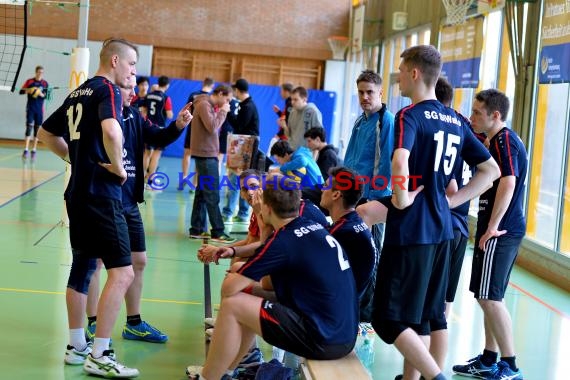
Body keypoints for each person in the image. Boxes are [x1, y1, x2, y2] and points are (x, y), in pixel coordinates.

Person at [371, 45, 499, 380]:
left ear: (414, 74)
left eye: (400, 70)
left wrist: (400, 200)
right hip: (444, 229)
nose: (397, 77)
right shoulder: (456, 120)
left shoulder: (408, 116)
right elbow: (490, 170)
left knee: (388, 319)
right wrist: (449, 204)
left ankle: (434, 377)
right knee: (425, 316)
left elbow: (400, 160)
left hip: (412, 230)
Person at [186, 173, 358, 380]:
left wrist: (239, 267)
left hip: (324, 339)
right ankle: (227, 371)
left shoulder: (283, 241)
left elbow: (228, 290)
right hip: (342, 332)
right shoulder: (308, 226)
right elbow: (268, 284)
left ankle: (209, 377)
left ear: (266, 208)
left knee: (233, 303)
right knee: (251, 295)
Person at [37, 37, 140, 378]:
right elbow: (112, 131)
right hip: (101, 195)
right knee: (122, 272)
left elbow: (46, 133)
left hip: (77, 194)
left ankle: (76, 345)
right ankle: (101, 352)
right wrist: (120, 167)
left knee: (82, 267)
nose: (134, 72)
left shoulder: (77, 92)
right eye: (132, 64)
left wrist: (76, 158)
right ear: (114, 61)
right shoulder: (106, 90)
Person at [85, 77, 192, 344]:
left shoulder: (134, 115)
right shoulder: (99, 117)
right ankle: (92, 323)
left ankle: (133, 323)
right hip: (104, 199)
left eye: (135, 88)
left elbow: (159, 136)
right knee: (97, 263)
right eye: (129, 88)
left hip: (129, 201)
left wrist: (178, 125)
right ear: (113, 92)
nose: (135, 93)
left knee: (139, 261)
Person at [452, 89, 527, 380]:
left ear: (495, 115)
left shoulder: (505, 139)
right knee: (489, 295)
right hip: (497, 227)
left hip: (502, 229)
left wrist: (492, 226)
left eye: (477, 113)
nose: (472, 118)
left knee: (490, 298)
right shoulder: (493, 140)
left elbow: (508, 182)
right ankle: (489, 359)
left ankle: (511, 366)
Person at [320, 166, 377, 319]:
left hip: (334, 315)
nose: (321, 190)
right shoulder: (355, 222)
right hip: (349, 308)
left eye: (325, 186)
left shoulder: (340, 233)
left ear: (336, 194)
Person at [188, 85, 235, 243]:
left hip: (207, 154)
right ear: (220, 94)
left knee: (202, 193)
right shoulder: (204, 105)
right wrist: (223, 111)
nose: (227, 102)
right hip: (206, 155)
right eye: (227, 99)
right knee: (212, 193)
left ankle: (197, 228)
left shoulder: (205, 104)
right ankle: (218, 231)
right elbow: (212, 127)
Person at [223, 78, 259, 223]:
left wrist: (227, 112)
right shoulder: (246, 104)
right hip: (246, 145)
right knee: (244, 179)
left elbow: (240, 126)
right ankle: (243, 213)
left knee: (235, 178)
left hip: (246, 146)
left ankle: (229, 213)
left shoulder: (248, 106)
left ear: (238, 90)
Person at [182, 77, 215, 188]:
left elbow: (187, 110)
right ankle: (195, 184)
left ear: (203, 83)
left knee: (187, 153)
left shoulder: (193, 94)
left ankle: (184, 178)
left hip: (192, 127)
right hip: (203, 131)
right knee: (198, 156)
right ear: (212, 86)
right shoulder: (211, 98)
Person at [270, 140, 324, 206]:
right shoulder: (299, 155)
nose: (279, 163)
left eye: (278, 160)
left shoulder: (298, 155)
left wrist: (281, 169)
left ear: (286, 155)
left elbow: (303, 161)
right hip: (315, 189)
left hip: (316, 190)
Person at [141, 75, 173, 185]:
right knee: (156, 154)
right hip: (159, 129)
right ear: (167, 85)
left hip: (148, 127)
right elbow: (169, 115)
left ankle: (143, 176)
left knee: (147, 153)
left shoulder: (149, 95)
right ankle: (151, 178)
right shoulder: (166, 98)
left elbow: (144, 111)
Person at [19, 65, 48, 161]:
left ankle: (34, 150)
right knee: (29, 128)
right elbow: (21, 91)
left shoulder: (44, 83)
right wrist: (29, 90)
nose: (40, 74)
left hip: (39, 110)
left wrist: (40, 93)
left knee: (37, 131)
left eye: (42, 72)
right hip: (30, 108)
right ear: (36, 72)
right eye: (39, 72)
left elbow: (46, 96)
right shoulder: (29, 81)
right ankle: (26, 150)